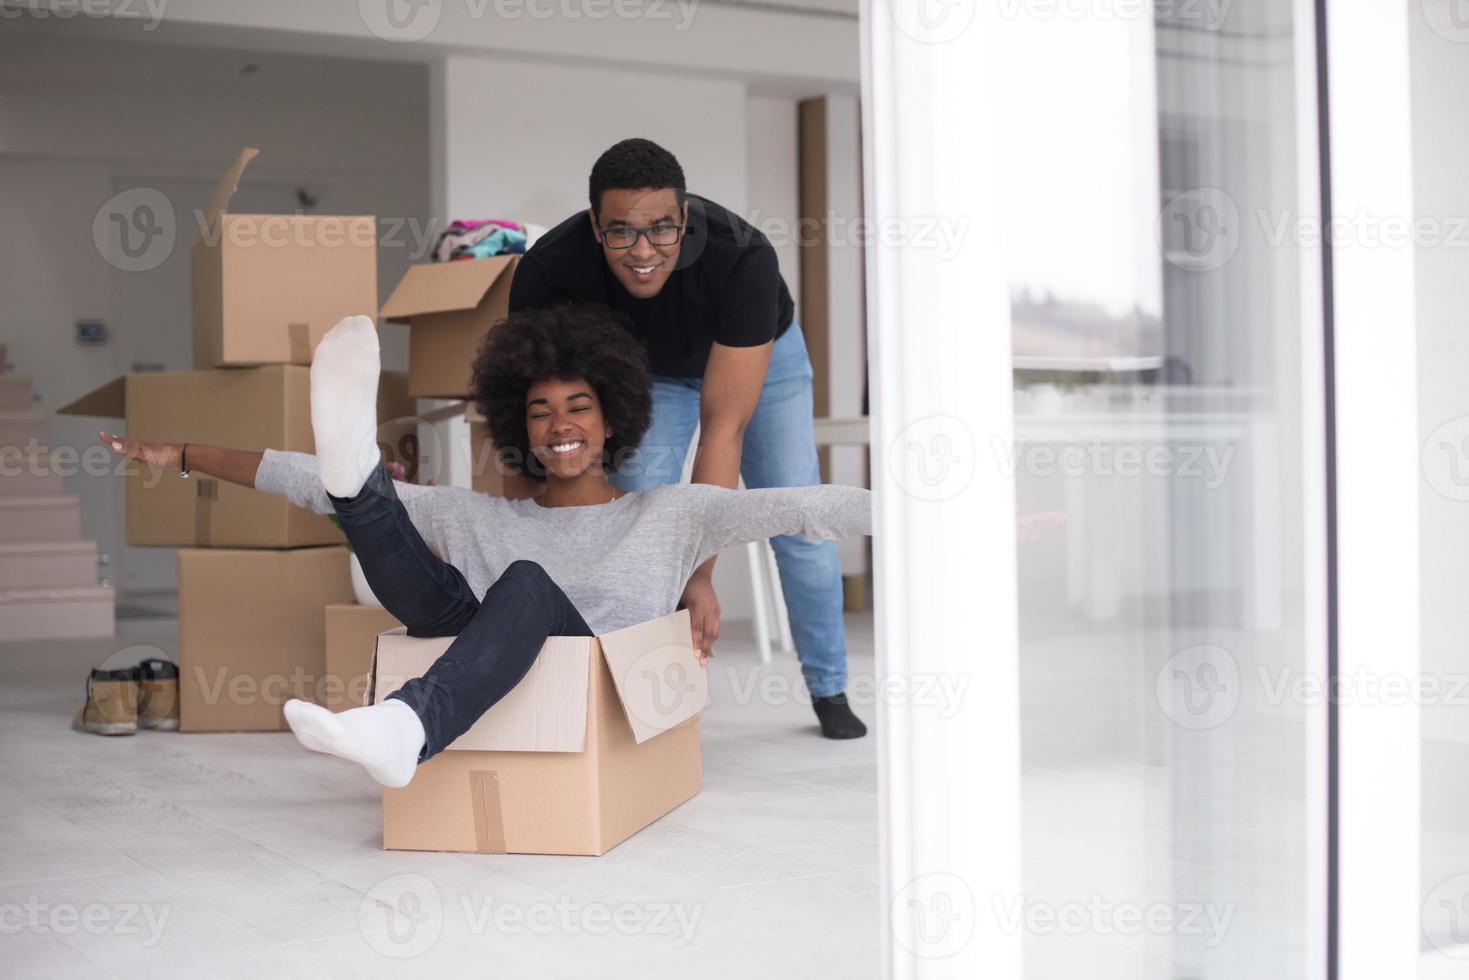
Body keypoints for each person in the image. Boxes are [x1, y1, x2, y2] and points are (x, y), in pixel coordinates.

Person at [101, 307, 871, 788]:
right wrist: (187, 454)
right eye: (540, 411)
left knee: (526, 585)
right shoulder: (482, 517)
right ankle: (356, 474)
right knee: (392, 528)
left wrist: (928, 518)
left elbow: (802, 506)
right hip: (470, 645)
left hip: (598, 691)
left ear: (611, 422)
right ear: (520, 430)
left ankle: (405, 724)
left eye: (578, 406)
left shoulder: (674, 512)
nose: (559, 423)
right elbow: (295, 481)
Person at [509, 138, 867, 739]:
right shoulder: (550, 269)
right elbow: (523, 407)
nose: (644, 252)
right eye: (621, 232)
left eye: (662, 230)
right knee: (634, 504)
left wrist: (699, 576)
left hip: (762, 358)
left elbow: (723, 427)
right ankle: (624, 686)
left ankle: (828, 687)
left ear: (685, 218)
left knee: (796, 520)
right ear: (595, 226)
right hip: (648, 371)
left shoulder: (742, 256)